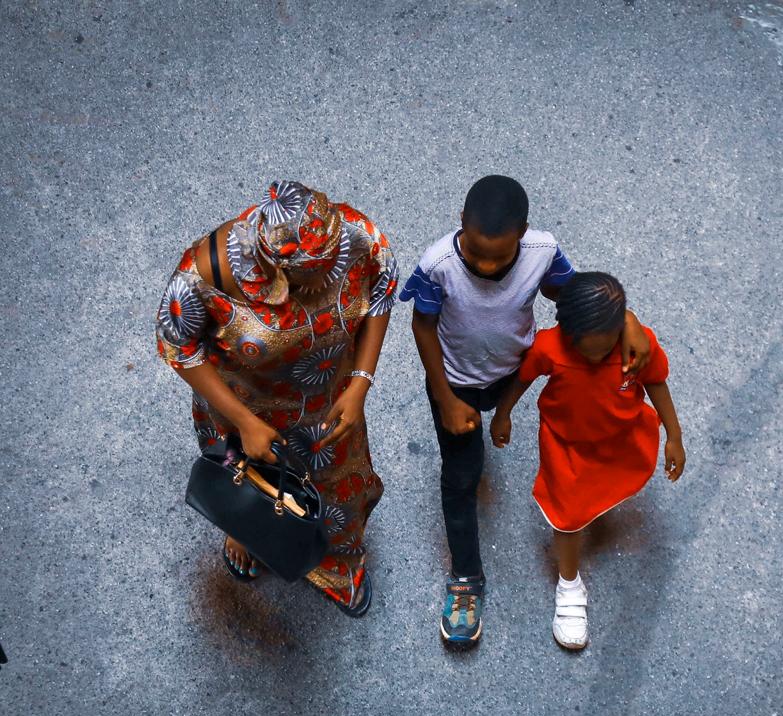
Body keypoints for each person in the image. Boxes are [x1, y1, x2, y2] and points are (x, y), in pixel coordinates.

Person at [399, 175, 653, 644]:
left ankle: (487, 419)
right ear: (460, 224)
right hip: (456, 381)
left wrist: (627, 319)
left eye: (500, 255)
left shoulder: (542, 251)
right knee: (461, 478)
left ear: (524, 232)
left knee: (485, 447)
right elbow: (423, 326)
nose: (488, 265)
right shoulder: (438, 264)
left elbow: (575, 296)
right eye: (476, 254)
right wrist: (445, 397)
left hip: (514, 372)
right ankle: (465, 580)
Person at [155, 181, 397, 616]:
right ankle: (248, 533)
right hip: (244, 408)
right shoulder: (202, 275)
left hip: (328, 400)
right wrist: (244, 422)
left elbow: (383, 285)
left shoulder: (352, 235)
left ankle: (335, 562)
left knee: (338, 489)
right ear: (275, 267)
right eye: (318, 273)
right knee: (251, 487)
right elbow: (178, 345)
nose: (332, 275)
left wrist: (361, 381)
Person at [490, 271, 685, 649]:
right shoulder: (549, 348)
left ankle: (591, 513)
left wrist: (674, 436)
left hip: (619, 442)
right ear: (565, 332)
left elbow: (657, 384)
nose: (596, 357)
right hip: (568, 449)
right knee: (567, 519)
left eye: (604, 346)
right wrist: (503, 412)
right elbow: (523, 379)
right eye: (587, 350)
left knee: (599, 498)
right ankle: (569, 585)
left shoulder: (636, 347)